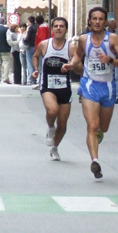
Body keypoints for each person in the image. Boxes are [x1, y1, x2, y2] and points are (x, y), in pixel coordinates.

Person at [62, 6, 118, 179]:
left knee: (102, 128)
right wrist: (71, 64)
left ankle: (97, 138)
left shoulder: (112, 39)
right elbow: (78, 55)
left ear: (105, 22)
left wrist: (111, 59)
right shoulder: (84, 39)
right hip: (89, 85)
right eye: (94, 19)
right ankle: (95, 161)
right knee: (92, 125)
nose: (97, 22)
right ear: (89, 21)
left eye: (100, 19)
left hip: (108, 87)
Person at [31, 17, 75, 161]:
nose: (58, 29)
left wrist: (71, 66)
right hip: (48, 85)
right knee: (52, 110)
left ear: (66, 29)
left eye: (61, 26)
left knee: (62, 124)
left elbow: (79, 68)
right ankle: (50, 127)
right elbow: (35, 56)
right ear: (52, 29)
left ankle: (55, 148)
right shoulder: (44, 45)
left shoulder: (71, 47)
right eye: (55, 26)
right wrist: (36, 69)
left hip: (65, 87)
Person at [24, 16, 38, 85]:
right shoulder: (37, 27)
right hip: (36, 46)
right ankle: (34, 78)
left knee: (30, 63)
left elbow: (27, 38)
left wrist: (24, 39)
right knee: (35, 63)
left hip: (30, 46)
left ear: (29, 21)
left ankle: (31, 79)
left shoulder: (30, 27)